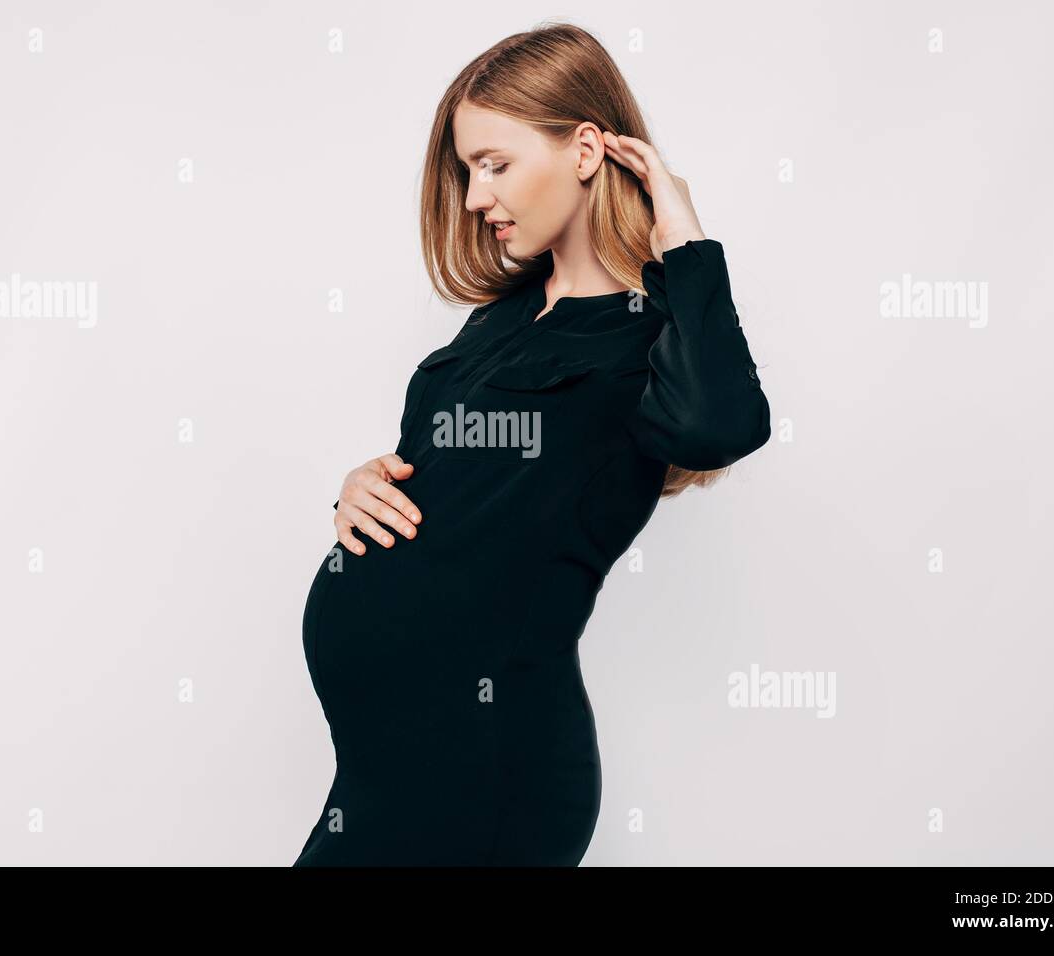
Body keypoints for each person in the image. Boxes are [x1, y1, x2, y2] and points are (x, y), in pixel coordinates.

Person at [294, 22, 770, 866]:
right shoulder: (502, 317)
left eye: (495, 164)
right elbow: (445, 488)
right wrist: (358, 485)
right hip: (380, 772)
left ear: (585, 149)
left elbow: (721, 426)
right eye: (467, 169)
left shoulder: (648, 337)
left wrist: (685, 239)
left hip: (489, 776)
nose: (476, 197)